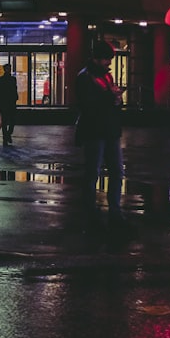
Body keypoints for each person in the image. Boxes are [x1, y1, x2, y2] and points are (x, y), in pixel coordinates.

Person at [74, 40, 126, 227]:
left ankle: (115, 211)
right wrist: (110, 96)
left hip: (110, 130)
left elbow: (109, 102)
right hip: (94, 130)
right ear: (97, 58)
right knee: (92, 172)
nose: (109, 63)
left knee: (117, 171)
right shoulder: (85, 77)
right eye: (106, 59)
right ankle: (90, 211)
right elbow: (87, 105)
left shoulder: (106, 77)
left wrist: (117, 99)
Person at [0, 63, 19, 146]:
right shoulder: (4, 79)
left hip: (7, 102)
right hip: (6, 102)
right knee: (6, 121)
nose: (9, 70)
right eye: (7, 69)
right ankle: (6, 136)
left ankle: (7, 135)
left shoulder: (7, 79)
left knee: (10, 121)